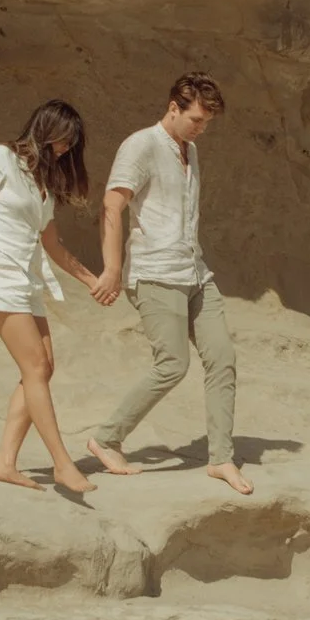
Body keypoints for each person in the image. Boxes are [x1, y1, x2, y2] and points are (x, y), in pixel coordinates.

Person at [86, 72, 252, 495]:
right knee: (173, 364)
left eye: (207, 123)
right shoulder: (140, 145)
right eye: (196, 119)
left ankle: (221, 459)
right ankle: (107, 438)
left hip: (195, 272)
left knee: (222, 358)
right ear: (173, 108)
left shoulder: (190, 150)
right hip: (155, 273)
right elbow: (112, 205)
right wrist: (111, 268)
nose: (201, 129)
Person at [0, 99, 104, 494]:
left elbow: (53, 245)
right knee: (35, 367)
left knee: (44, 367)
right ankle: (62, 463)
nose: (65, 149)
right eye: (63, 140)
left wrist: (92, 281)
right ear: (45, 129)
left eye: (71, 144)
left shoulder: (43, 186)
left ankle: (5, 463)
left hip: (27, 279)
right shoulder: (2, 157)